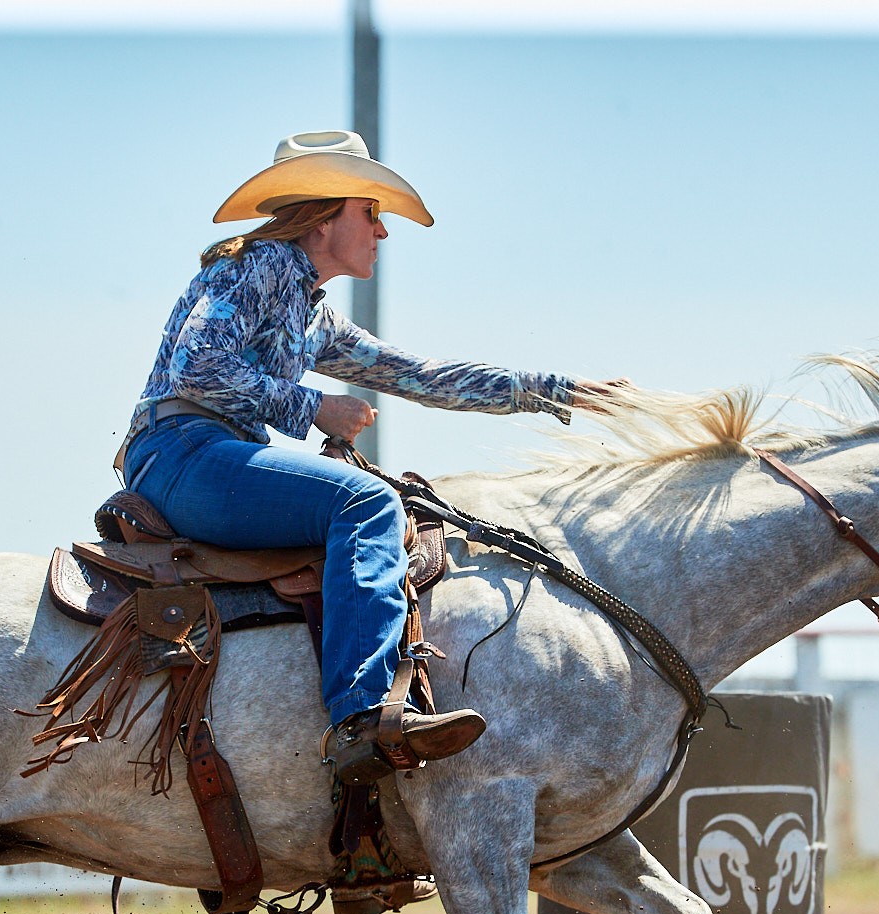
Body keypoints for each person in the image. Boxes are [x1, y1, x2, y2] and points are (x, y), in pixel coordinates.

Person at [118, 130, 604, 784]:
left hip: (206, 456)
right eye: (369, 213)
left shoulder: (310, 315)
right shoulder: (258, 267)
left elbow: (421, 375)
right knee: (368, 501)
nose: (382, 231)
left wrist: (556, 392)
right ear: (322, 219)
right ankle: (361, 714)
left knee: (370, 503)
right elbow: (197, 368)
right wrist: (314, 407)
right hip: (181, 452)